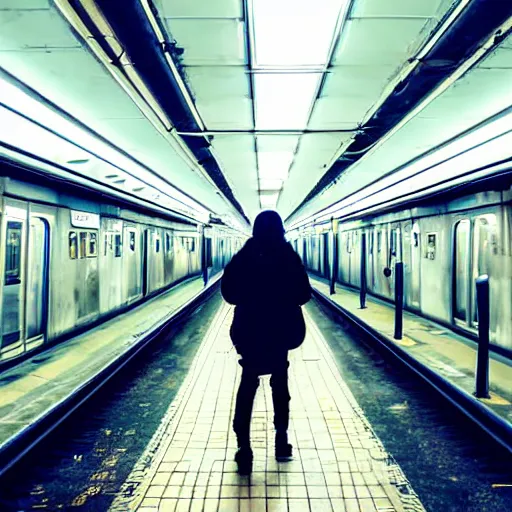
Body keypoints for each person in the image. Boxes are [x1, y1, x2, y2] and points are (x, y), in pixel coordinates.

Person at [221, 210, 311, 474]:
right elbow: (304, 294)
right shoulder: (288, 256)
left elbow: (228, 293)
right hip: (279, 330)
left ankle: (244, 448)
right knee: (279, 383)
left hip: (249, 330)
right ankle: (281, 440)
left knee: (248, 385)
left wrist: (251, 297)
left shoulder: (245, 256)